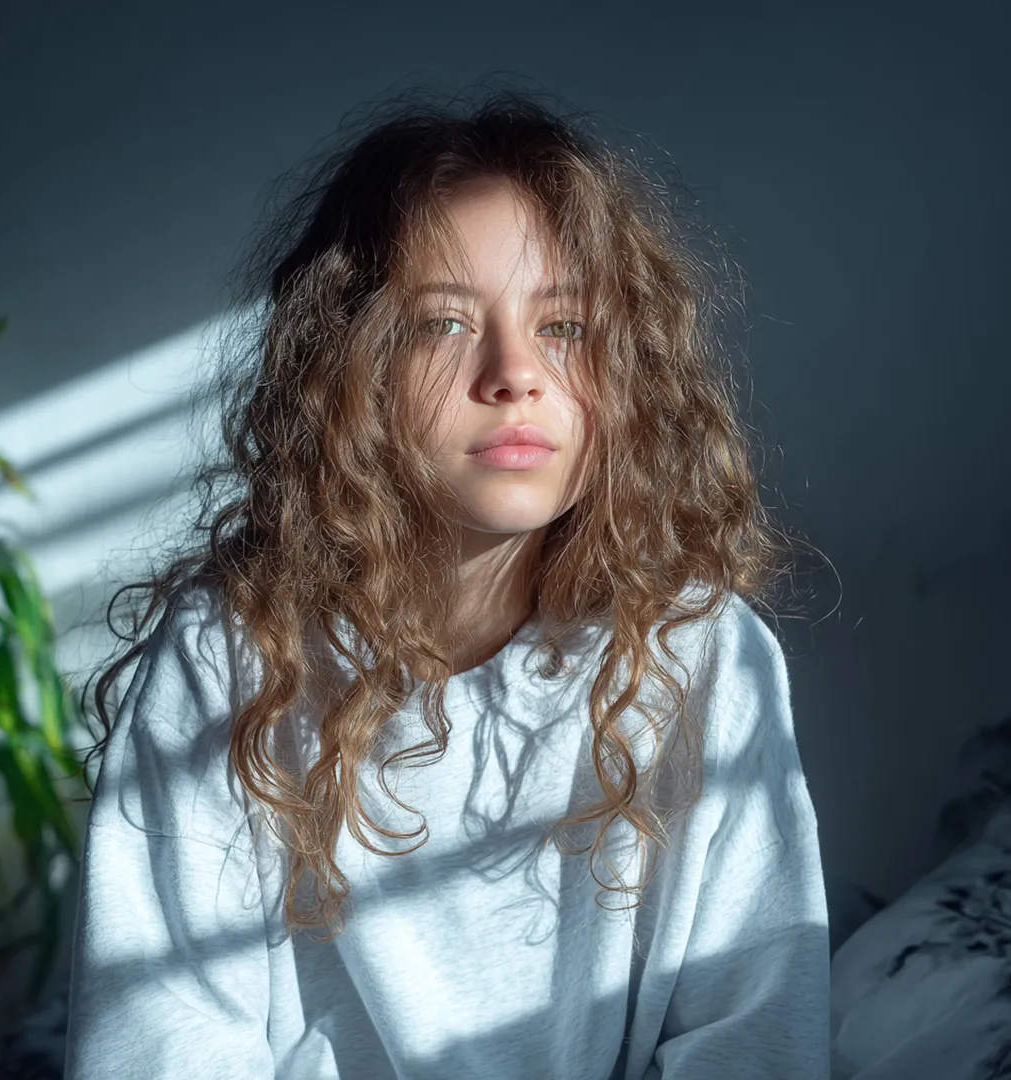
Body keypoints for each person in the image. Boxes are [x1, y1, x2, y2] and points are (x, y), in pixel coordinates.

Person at [63, 87, 830, 1079]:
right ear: (349, 371)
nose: (515, 373)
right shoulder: (230, 654)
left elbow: (753, 1035)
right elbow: (166, 1040)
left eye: (565, 326)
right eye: (444, 324)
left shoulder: (701, 652)